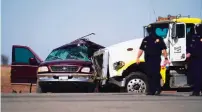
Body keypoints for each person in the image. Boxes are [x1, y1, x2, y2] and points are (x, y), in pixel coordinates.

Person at [136, 25, 169, 95]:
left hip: (156, 59)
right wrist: (137, 57)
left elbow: (164, 50)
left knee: (156, 74)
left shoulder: (159, 39)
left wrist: (166, 58)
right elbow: (141, 49)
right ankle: (151, 90)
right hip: (148, 59)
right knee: (149, 74)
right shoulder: (146, 39)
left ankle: (158, 89)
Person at [186, 24, 202, 96]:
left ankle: (196, 91)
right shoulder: (193, 37)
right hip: (194, 59)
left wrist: (191, 52)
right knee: (196, 76)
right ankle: (196, 90)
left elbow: (195, 48)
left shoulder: (196, 38)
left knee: (197, 76)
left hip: (198, 59)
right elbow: (189, 47)